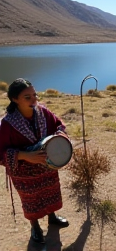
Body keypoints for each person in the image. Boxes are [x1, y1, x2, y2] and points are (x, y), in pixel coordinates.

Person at [0, 78, 69, 244]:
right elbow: (1, 152)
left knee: (50, 193)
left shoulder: (43, 113)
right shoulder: (7, 124)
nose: (34, 100)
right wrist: (25, 155)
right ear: (15, 99)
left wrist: (60, 137)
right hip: (24, 173)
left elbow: (59, 126)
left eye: (35, 95)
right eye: (27, 97)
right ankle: (35, 226)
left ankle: (52, 217)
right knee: (31, 201)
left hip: (47, 166)